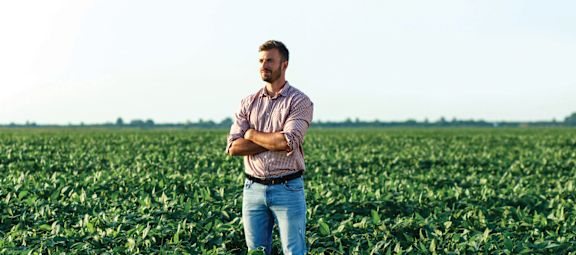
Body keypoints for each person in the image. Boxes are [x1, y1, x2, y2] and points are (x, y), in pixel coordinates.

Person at [226, 40, 314, 254]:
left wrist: (251, 134)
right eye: (261, 61)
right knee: (255, 251)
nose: (264, 65)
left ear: (284, 65)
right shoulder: (248, 102)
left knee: (294, 251)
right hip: (252, 189)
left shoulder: (299, 101)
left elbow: (287, 141)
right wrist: (271, 141)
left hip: (288, 188)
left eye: (270, 61)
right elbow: (233, 147)